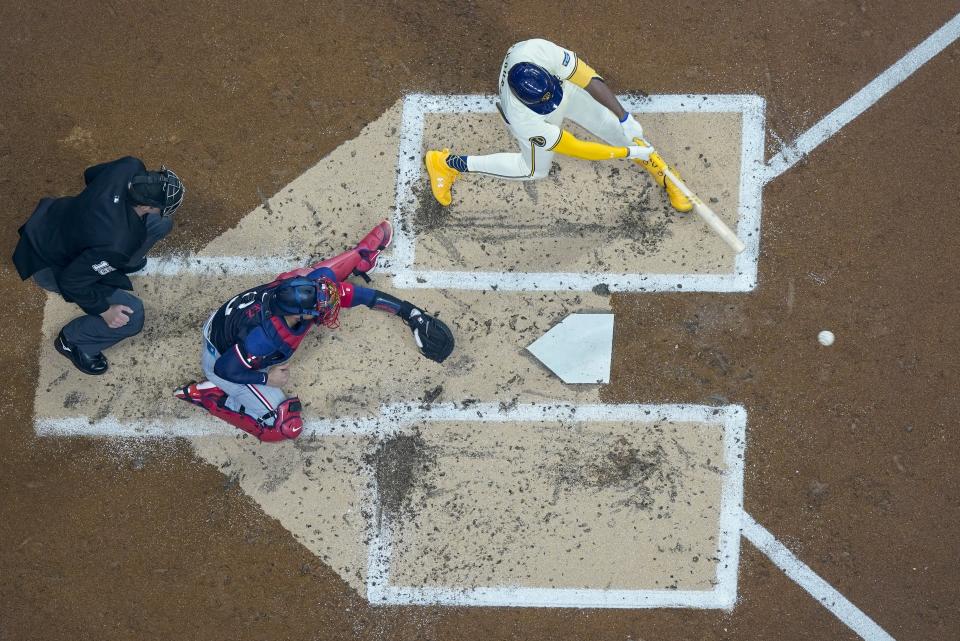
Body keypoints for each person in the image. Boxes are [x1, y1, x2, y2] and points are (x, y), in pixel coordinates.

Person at [174, 220, 454, 442]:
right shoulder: (263, 340)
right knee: (285, 426)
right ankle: (209, 397)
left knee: (314, 276)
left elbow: (360, 296)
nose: (331, 305)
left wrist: (410, 313)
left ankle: (361, 255)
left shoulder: (293, 287)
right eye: (322, 306)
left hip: (228, 324)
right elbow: (226, 368)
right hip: (222, 359)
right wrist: (265, 377)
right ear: (299, 314)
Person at [425, 38, 692, 213]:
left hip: (566, 89)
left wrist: (623, 116)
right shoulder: (524, 119)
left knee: (614, 127)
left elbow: (587, 77)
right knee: (532, 170)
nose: (552, 103)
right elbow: (577, 147)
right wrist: (628, 153)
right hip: (539, 121)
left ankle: (666, 175)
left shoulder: (537, 51)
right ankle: (447, 163)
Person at [12, 156, 185, 375]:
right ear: (145, 205)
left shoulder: (129, 167)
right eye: (161, 204)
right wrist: (104, 310)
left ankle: (126, 264)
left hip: (59, 222)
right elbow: (71, 281)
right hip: (50, 264)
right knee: (133, 317)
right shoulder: (118, 242)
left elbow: (90, 175)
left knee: (160, 223)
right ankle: (74, 341)